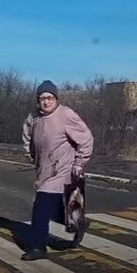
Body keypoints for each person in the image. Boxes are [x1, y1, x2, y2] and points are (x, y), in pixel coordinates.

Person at [20, 79, 94, 261]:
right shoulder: (34, 117)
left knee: (41, 208)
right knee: (56, 209)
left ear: (56, 99)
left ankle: (37, 247)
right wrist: (32, 157)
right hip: (44, 170)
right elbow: (27, 137)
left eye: (50, 98)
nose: (46, 101)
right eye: (42, 98)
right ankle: (77, 223)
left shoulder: (65, 115)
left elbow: (86, 139)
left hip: (63, 170)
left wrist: (79, 163)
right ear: (38, 101)